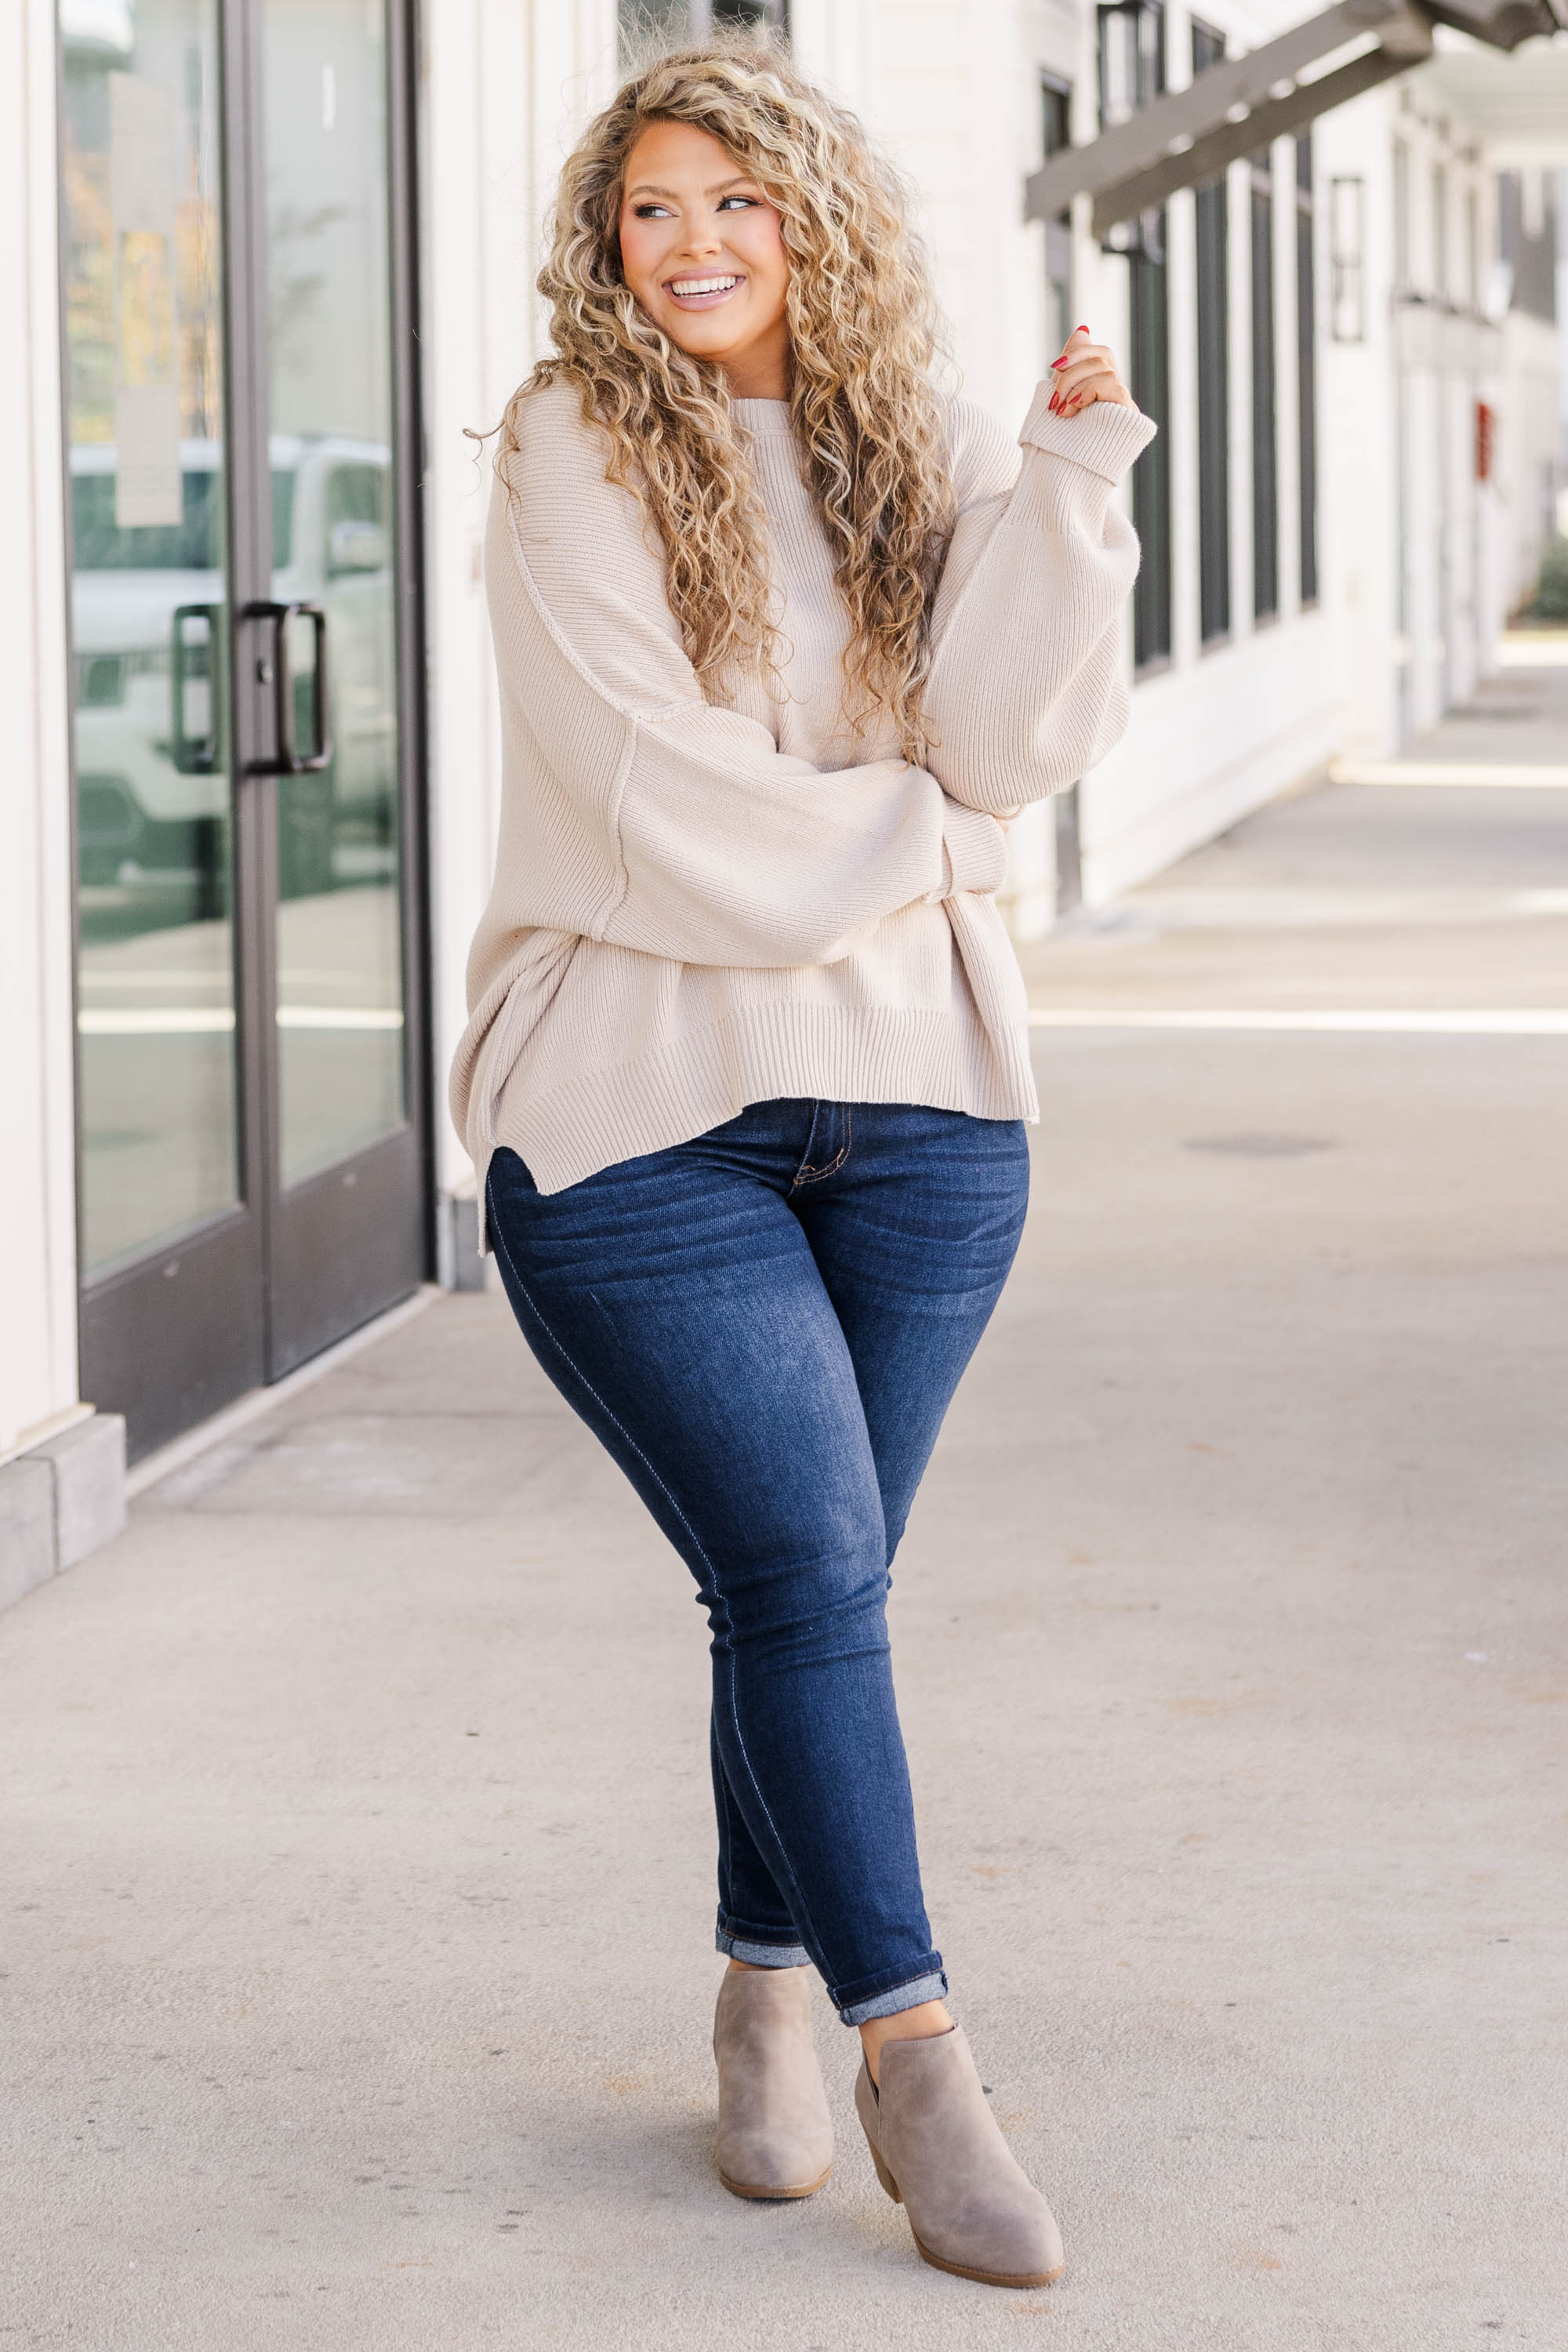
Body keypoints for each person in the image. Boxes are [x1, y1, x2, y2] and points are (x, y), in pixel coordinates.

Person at [450, 35, 1152, 2291]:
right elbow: (667, 810)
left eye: (731, 204)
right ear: (606, 239)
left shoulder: (921, 446)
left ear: (810, 215)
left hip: (930, 1122)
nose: (690, 248)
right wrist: (925, 840)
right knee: (813, 1580)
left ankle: (760, 1976)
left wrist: (1069, 492)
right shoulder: (570, 443)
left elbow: (1015, 741)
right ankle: (914, 2054)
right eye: (649, 210)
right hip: (637, 1113)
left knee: (805, 1585)